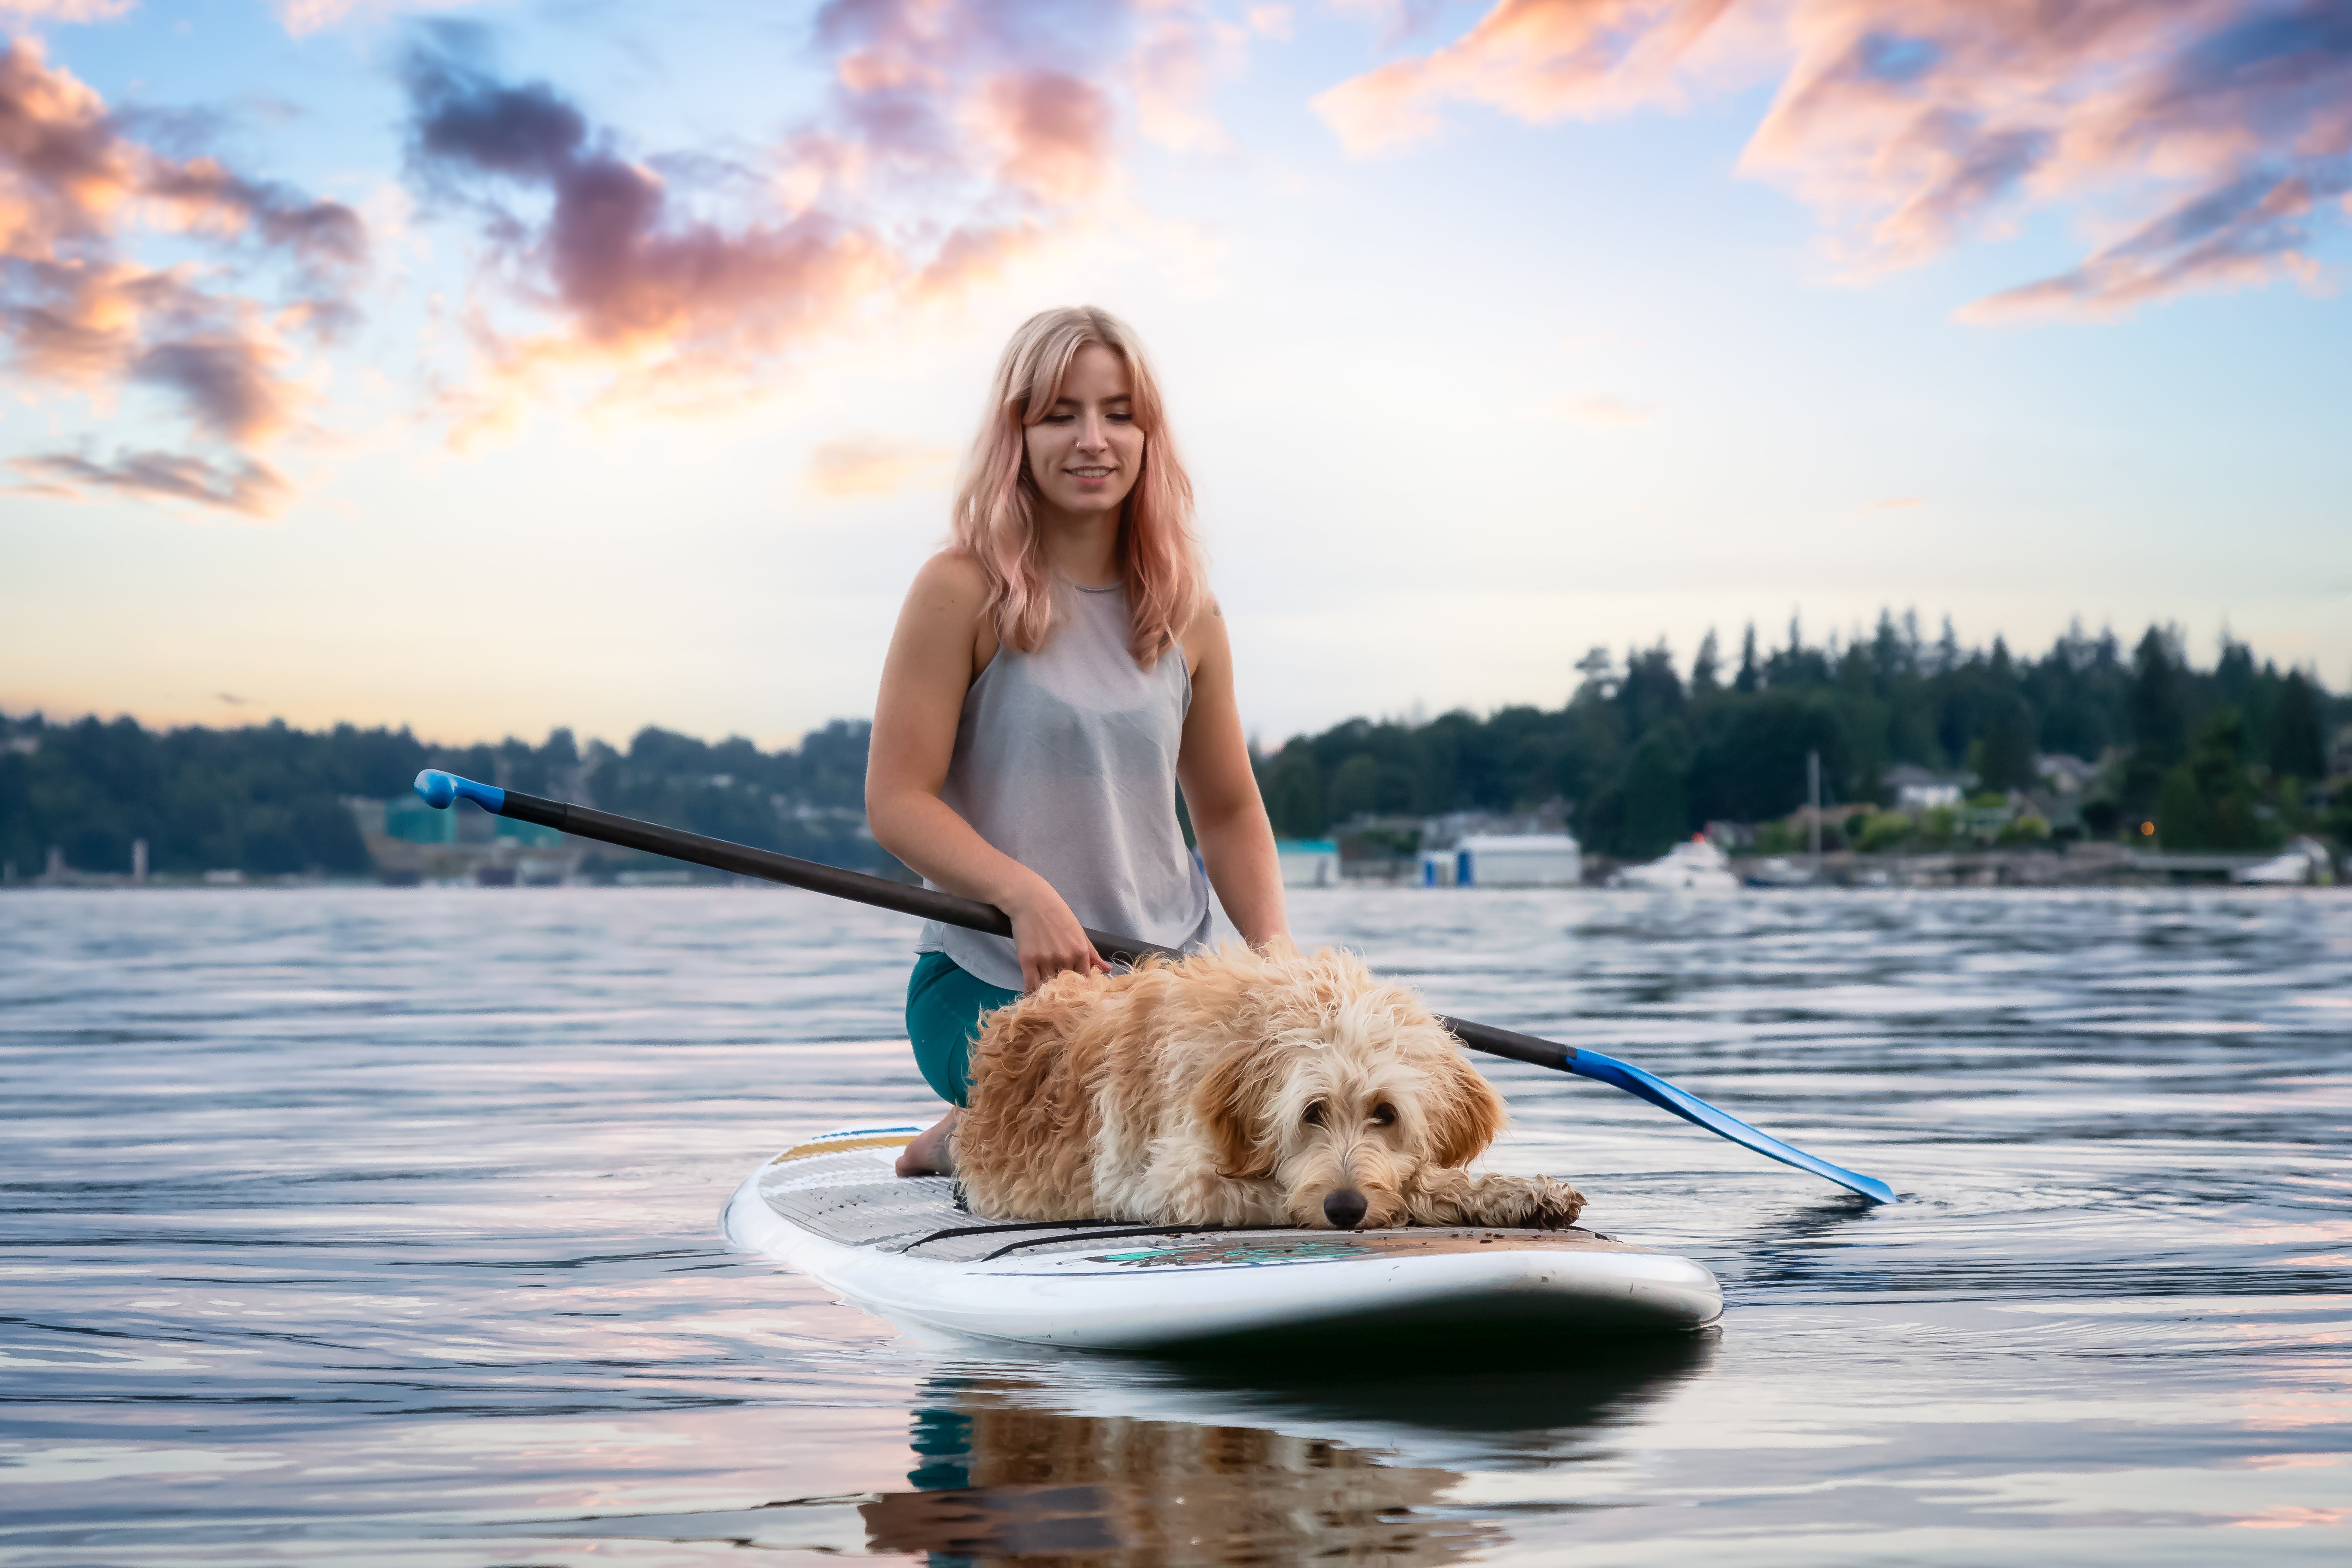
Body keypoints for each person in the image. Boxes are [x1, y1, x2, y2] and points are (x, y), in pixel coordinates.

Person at [866, 306, 1290, 1177]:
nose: (1093, 439)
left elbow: (1229, 807)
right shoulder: (960, 589)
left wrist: (1277, 963)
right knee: (1137, 1108)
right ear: (1017, 432)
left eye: (1117, 413)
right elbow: (897, 801)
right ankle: (968, 1133)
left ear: (1147, 435)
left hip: (1164, 985)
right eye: (1060, 413)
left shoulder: (1188, 611)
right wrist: (1025, 897)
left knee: (1289, 1106)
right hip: (992, 981)